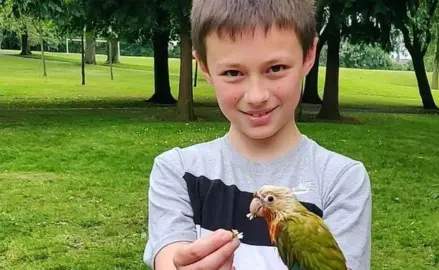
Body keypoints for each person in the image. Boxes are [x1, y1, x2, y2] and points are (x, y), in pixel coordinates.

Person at [143, 0, 372, 269]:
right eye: (233, 72)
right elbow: (171, 257)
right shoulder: (177, 171)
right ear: (204, 66)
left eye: (275, 68)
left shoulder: (343, 180)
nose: (256, 97)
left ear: (309, 55)